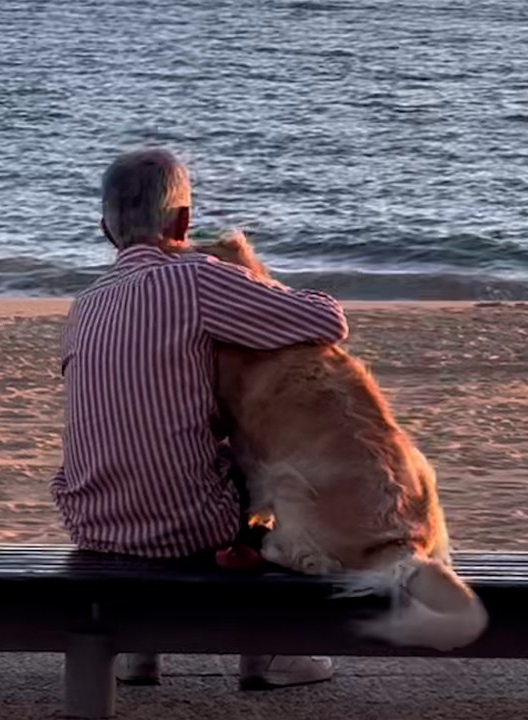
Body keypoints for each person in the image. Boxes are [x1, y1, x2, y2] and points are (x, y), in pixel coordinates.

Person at [51, 147, 349, 688]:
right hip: (188, 524)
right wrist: (263, 289)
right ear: (184, 221)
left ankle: (140, 652)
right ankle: (269, 654)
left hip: (91, 520)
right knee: (269, 473)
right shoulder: (195, 279)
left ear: (105, 229)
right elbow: (326, 320)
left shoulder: (85, 303)